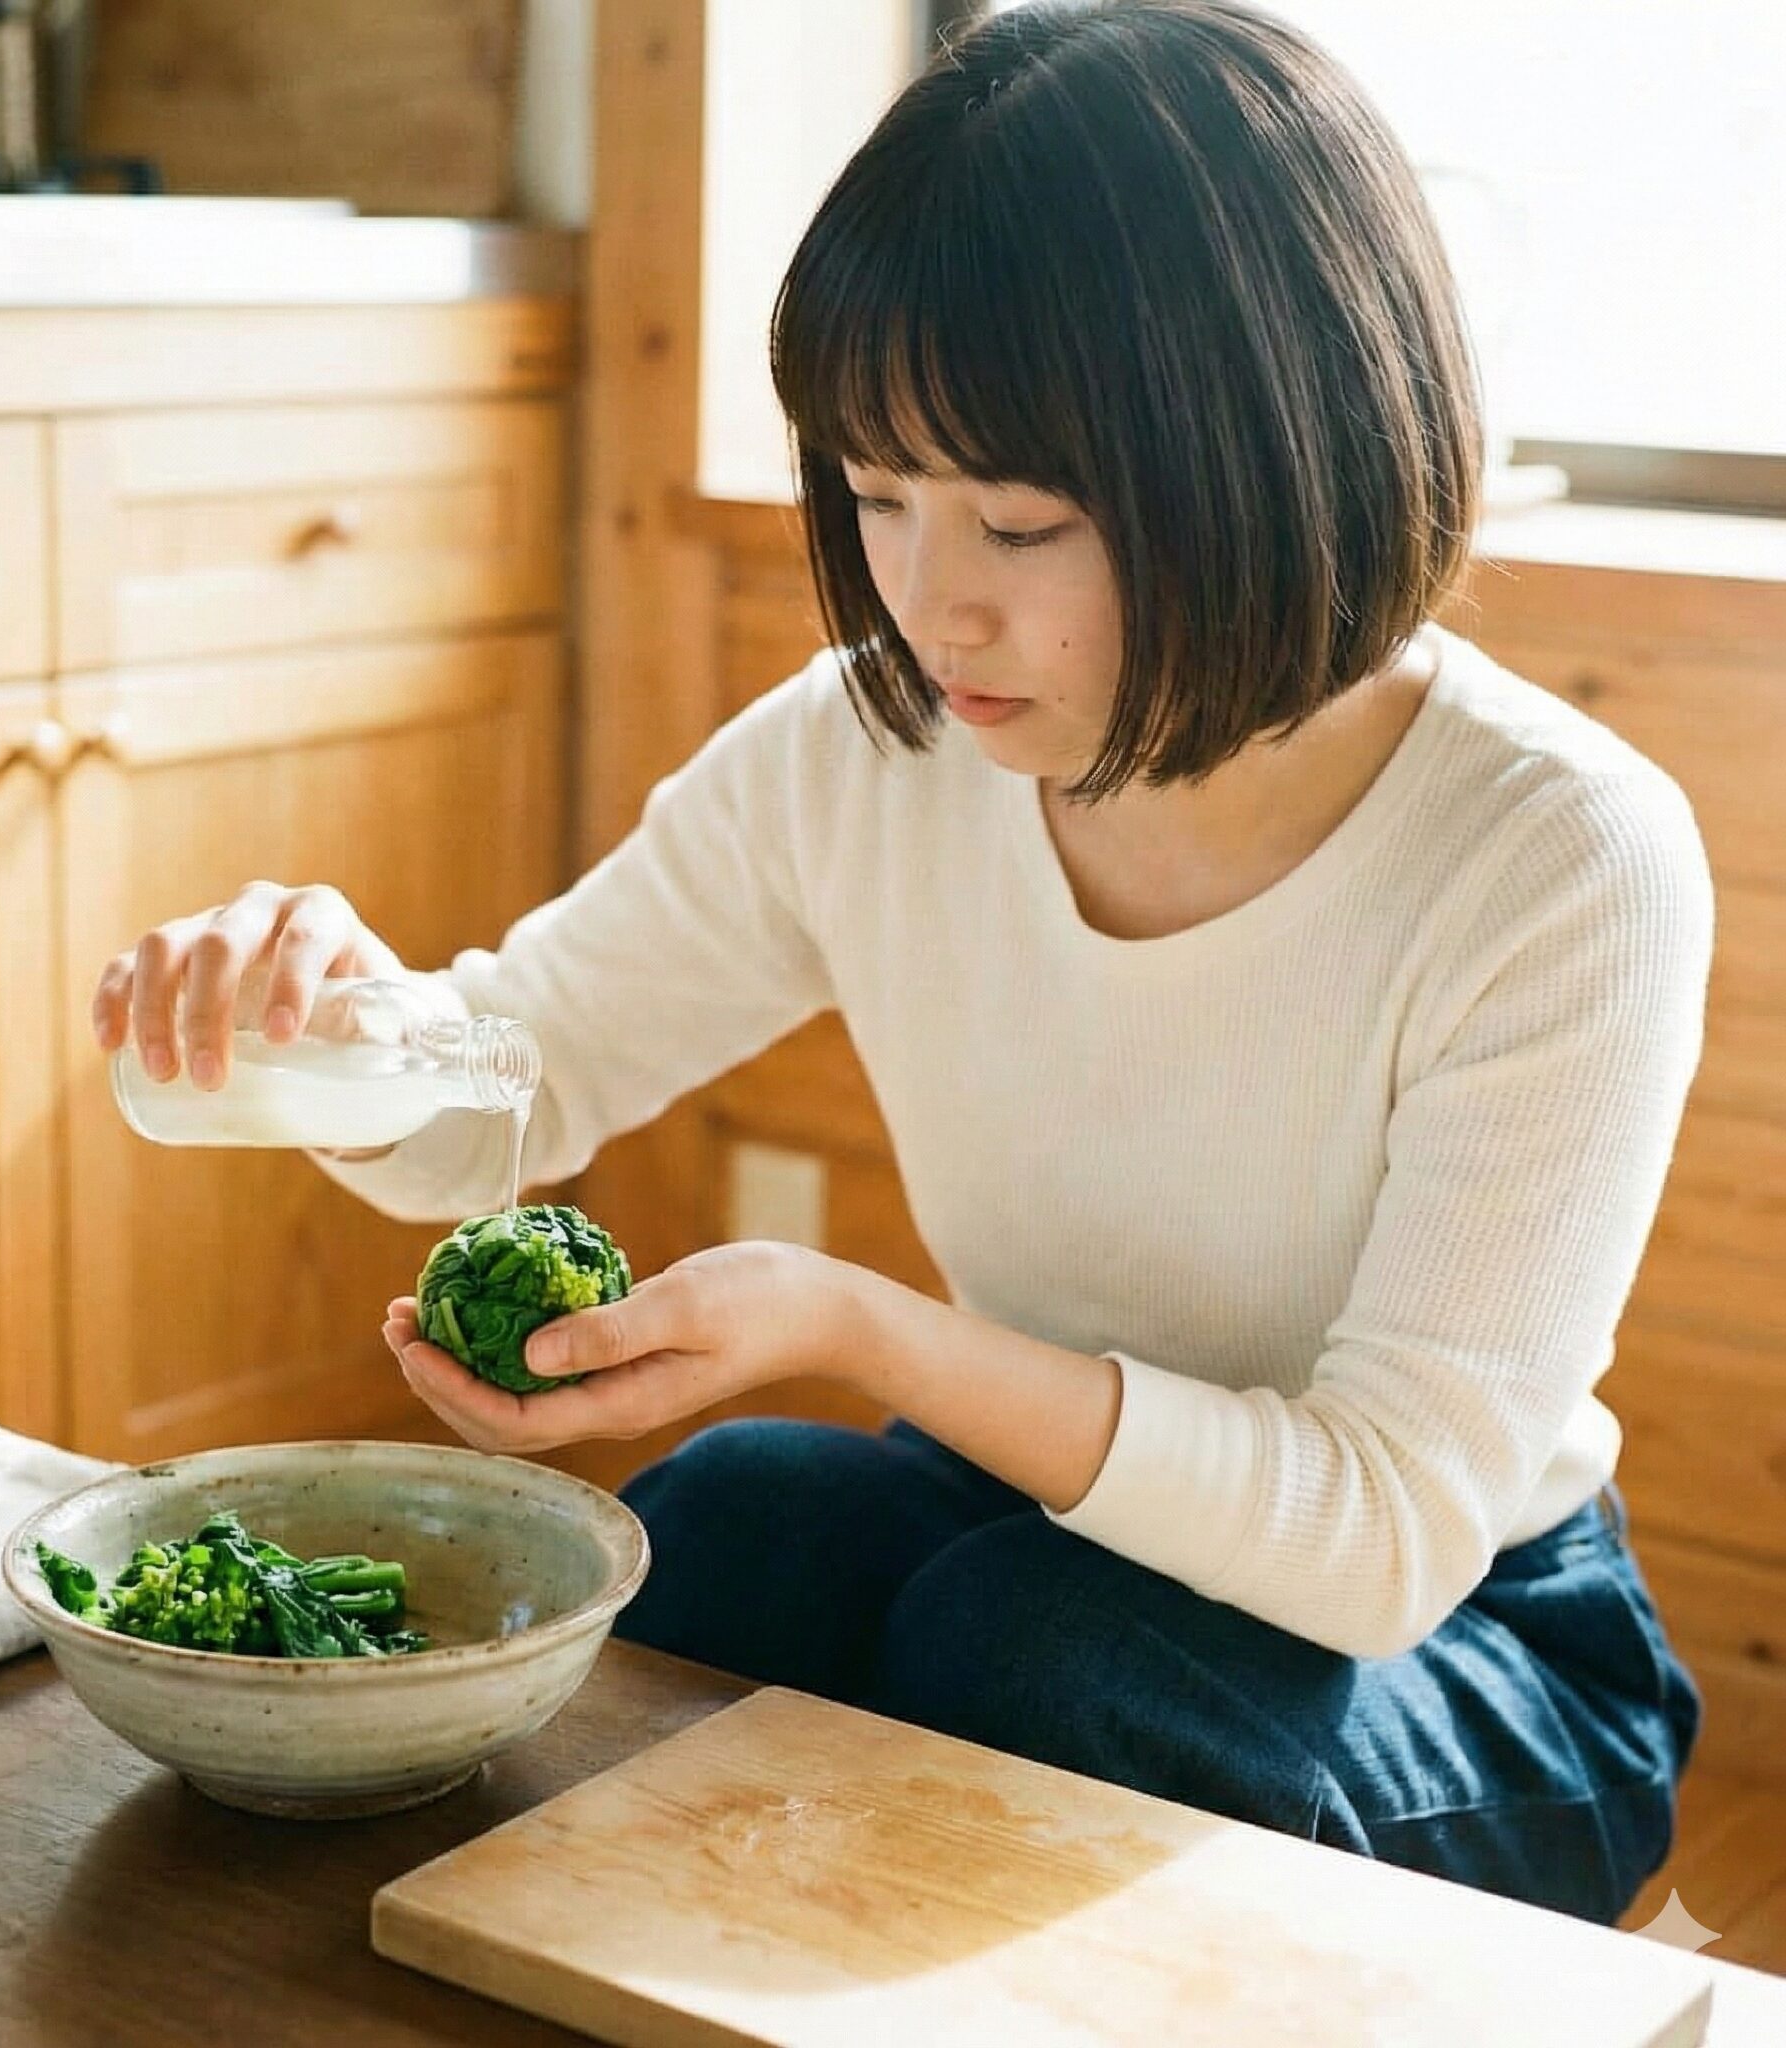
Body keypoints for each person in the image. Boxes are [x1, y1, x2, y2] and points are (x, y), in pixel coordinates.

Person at [92, 0, 1711, 1925]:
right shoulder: (868, 748)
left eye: (1019, 520)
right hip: (1036, 1527)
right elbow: (511, 1082)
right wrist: (334, 1016)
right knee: (722, 1526)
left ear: (1281, 462)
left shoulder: (1556, 852)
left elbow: (1378, 1538)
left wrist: (861, 1327)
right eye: (875, 495)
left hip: (1475, 1632)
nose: (933, 606)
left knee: (1039, 1658)